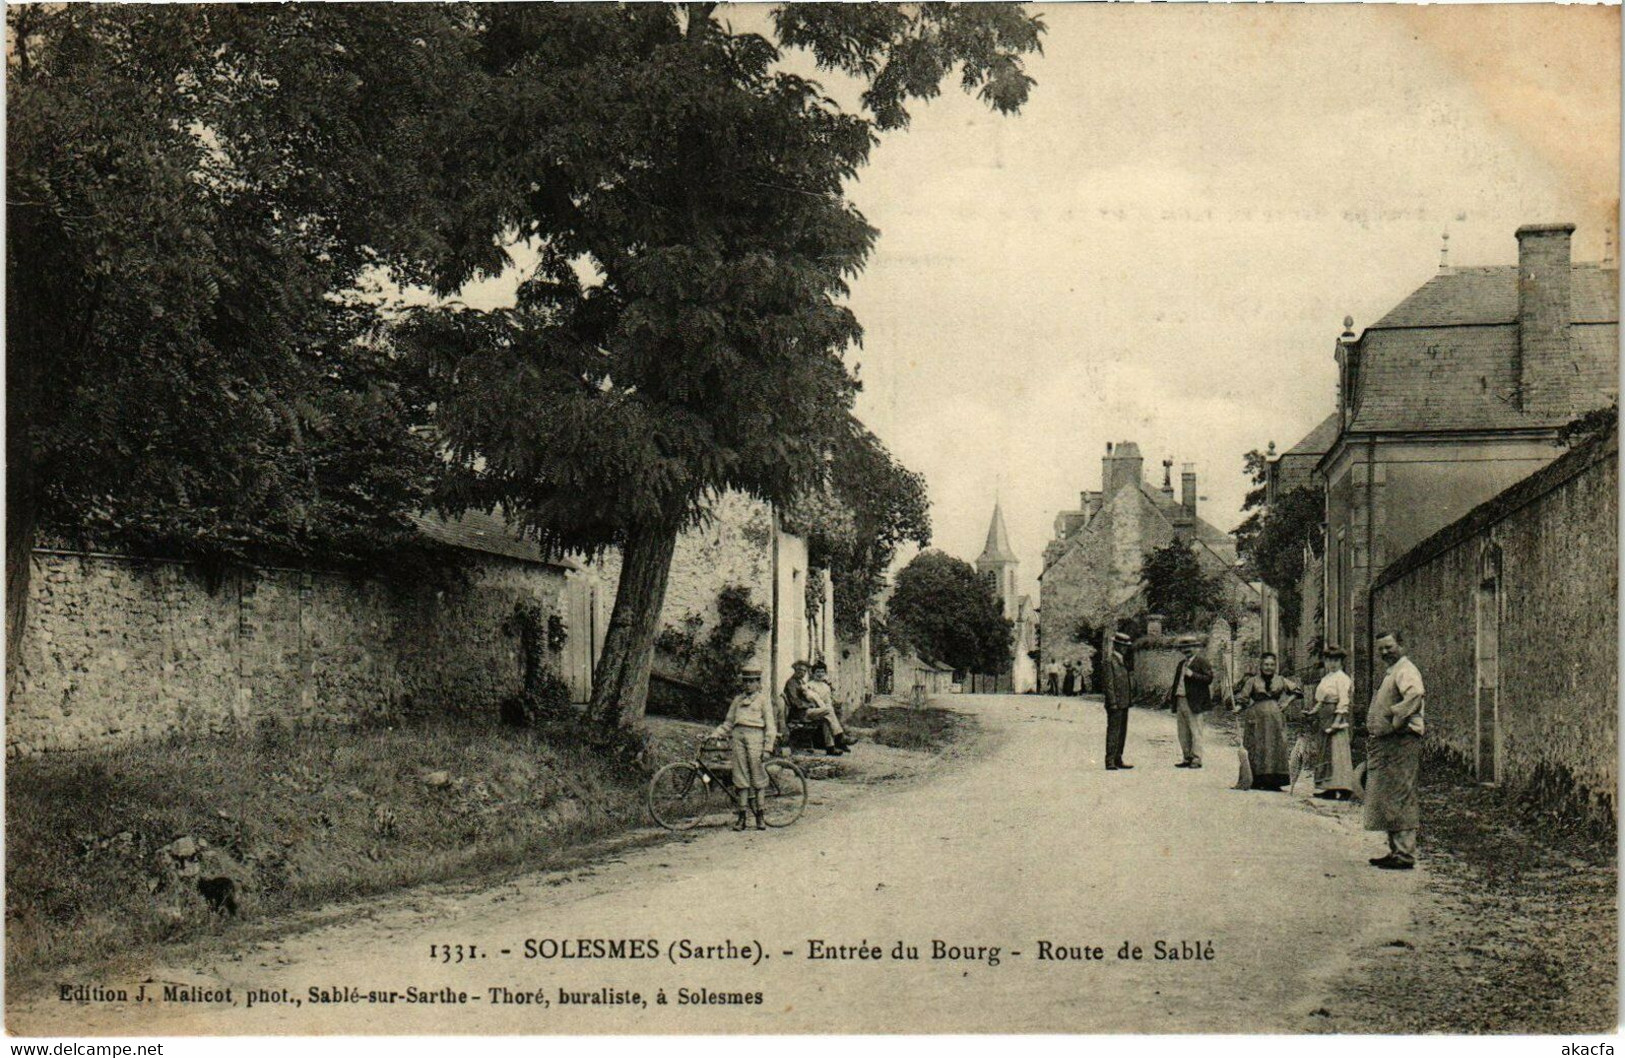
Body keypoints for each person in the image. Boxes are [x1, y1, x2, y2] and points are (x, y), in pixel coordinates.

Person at [1365, 631, 1425, 869]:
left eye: (1389, 647)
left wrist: (1396, 722)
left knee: (1401, 792)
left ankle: (1405, 854)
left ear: (1401, 645)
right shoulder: (1393, 671)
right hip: (1389, 742)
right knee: (1389, 794)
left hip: (1402, 740)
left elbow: (1416, 695)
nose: (1384, 652)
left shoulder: (1406, 670)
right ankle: (1396, 851)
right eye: (1380, 648)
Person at [712, 669, 778, 831]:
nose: (748, 685)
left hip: (756, 737)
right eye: (746, 681)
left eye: (752, 681)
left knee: (757, 776)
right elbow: (728, 722)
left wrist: (768, 747)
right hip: (738, 737)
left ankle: (760, 816)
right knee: (740, 777)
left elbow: (770, 725)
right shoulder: (737, 700)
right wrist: (715, 734)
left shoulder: (763, 700)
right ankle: (742, 817)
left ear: (758, 683)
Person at [1232, 653, 1298, 791]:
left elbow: (1297, 691)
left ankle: (1274, 781)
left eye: (1272, 665)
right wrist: (1237, 708)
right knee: (1256, 746)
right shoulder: (1252, 681)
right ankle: (1255, 779)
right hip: (1256, 718)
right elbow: (1243, 698)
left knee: (1276, 746)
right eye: (1266, 664)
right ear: (1261, 665)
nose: (1269, 667)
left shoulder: (1281, 680)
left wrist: (1286, 702)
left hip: (1275, 719)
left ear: (1275, 666)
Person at [1313, 645, 1356, 800]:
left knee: (1338, 751)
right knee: (1325, 752)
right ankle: (1329, 788)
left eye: (1336, 660)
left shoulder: (1342, 678)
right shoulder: (1326, 678)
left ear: (1341, 662)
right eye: (1329, 660)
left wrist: (1337, 721)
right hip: (1324, 718)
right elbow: (1321, 699)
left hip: (1335, 717)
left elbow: (1343, 701)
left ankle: (1344, 788)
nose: (1332, 663)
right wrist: (1312, 712)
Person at [1166, 635, 1214, 768]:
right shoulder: (1181, 664)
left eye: (1189, 647)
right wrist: (1172, 696)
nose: (1187, 650)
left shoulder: (1202, 662)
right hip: (1180, 699)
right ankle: (1187, 757)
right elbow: (1177, 682)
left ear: (1196, 648)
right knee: (1183, 731)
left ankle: (1197, 759)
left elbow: (1209, 678)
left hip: (1195, 701)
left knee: (1195, 730)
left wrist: (1192, 675)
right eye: (1184, 648)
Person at [804, 661, 853, 756]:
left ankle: (830, 748)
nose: (820, 674)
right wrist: (825, 708)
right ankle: (840, 738)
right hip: (811, 711)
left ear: (825, 673)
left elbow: (828, 702)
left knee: (826, 719)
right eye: (817, 672)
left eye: (822, 672)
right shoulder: (809, 685)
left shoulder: (826, 686)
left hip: (823, 712)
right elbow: (810, 700)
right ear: (813, 673)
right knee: (829, 712)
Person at [1103, 632, 1134, 771]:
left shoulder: (1122, 661)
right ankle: (1110, 760)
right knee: (1114, 731)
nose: (1126, 648)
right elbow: (1109, 684)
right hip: (1115, 703)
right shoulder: (1110, 661)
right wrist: (1113, 702)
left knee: (1122, 732)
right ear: (1117, 646)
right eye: (1123, 646)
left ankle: (1118, 758)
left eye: (1127, 646)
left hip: (1124, 702)